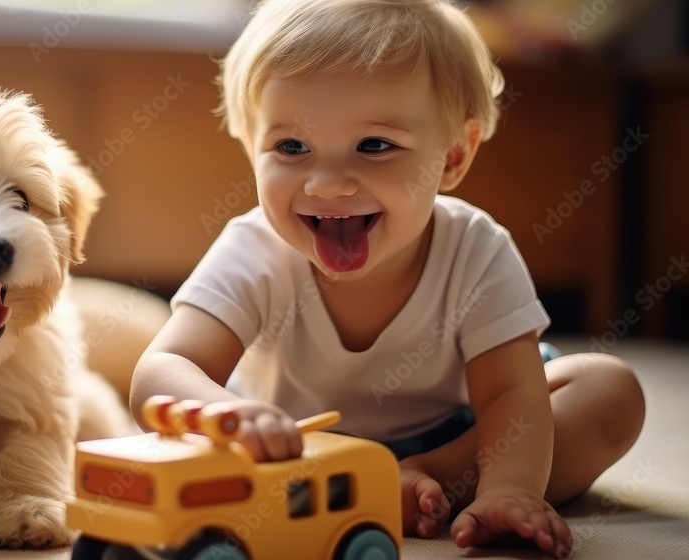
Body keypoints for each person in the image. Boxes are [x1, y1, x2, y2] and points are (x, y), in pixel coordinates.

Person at [129, 0, 646, 558]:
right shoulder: (253, 249)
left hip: (459, 433)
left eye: (374, 146)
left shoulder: (475, 248)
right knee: (188, 449)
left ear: (452, 157)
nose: (326, 185)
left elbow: (507, 394)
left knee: (607, 389)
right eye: (291, 147)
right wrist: (224, 415)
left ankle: (433, 478)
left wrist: (511, 489)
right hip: (297, 450)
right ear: (251, 149)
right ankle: (385, 486)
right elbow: (162, 370)